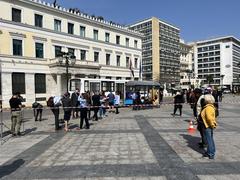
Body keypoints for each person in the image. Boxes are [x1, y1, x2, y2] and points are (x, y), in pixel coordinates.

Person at [201, 94, 217, 159]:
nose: (204, 100)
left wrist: (211, 125)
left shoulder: (208, 108)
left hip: (207, 126)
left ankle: (211, 153)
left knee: (209, 140)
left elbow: (209, 118)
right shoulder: (209, 107)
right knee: (210, 139)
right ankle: (210, 151)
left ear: (207, 100)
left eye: (204, 99)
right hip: (209, 125)